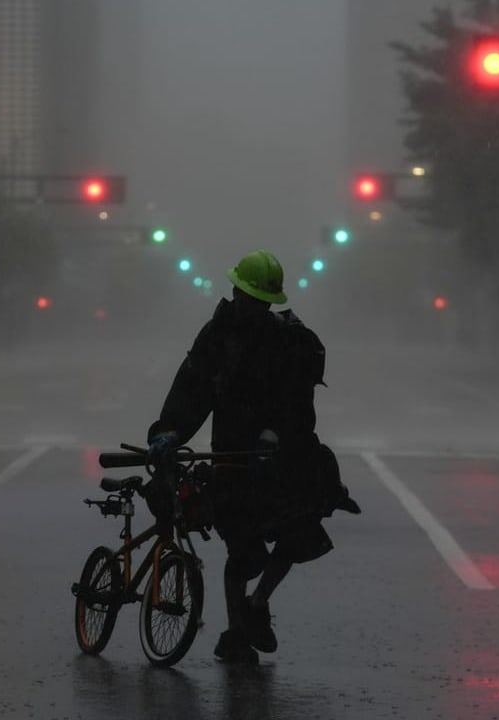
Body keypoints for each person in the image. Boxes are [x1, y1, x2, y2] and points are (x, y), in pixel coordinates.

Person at [147, 249, 361, 664]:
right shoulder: (216, 336)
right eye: (250, 298)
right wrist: (169, 431)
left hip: (278, 459)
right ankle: (234, 633)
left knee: (298, 530)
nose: (254, 306)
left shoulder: (289, 342)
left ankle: (258, 603)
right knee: (242, 551)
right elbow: (193, 387)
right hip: (231, 458)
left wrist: (276, 433)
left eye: (262, 301)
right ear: (235, 292)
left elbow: (298, 401)